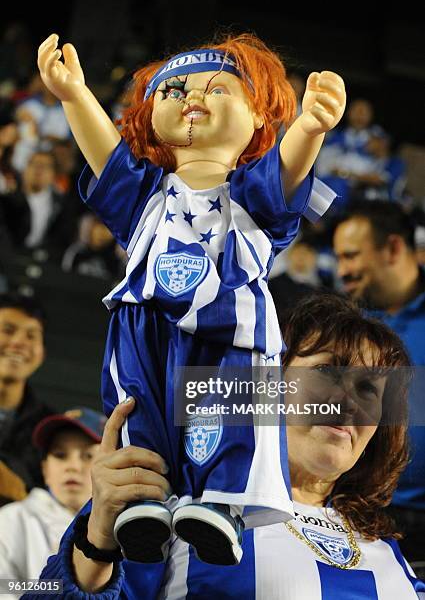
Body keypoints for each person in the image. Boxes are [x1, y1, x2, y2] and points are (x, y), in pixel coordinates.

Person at [37, 31, 345, 565]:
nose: (191, 99)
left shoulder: (251, 193)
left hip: (230, 326)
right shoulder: (143, 196)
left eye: (218, 89)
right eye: (173, 90)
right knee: (140, 408)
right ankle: (142, 505)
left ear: (257, 118)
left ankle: (220, 505)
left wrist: (311, 128)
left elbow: (288, 170)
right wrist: (74, 96)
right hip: (145, 321)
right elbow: (105, 155)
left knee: (228, 414)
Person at [29, 293, 425, 598]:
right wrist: (98, 541)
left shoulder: (385, 546)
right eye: (327, 370)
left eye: (370, 388)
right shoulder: (182, 504)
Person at [333, 200, 425, 573]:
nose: (343, 271)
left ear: (393, 248)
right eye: (338, 258)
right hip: (363, 515)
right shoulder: (342, 329)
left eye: (351, 256)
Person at [0, 407, 105, 596]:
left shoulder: (124, 526)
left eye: (88, 456)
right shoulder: (12, 519)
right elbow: (3, 587)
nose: (73, 467)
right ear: (45, 469)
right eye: (60, 455)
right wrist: (57, 588)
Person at [0, 292, 53, 490]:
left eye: (31, 336)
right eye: (8, 330)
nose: (19, 343)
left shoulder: (51, 429)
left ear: (42, 354)